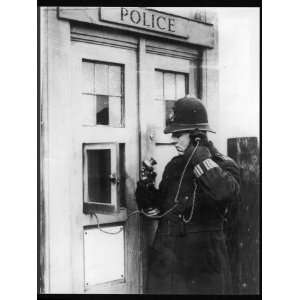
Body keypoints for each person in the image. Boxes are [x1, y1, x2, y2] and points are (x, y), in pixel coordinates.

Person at [135, 96, 241, 294]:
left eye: (178, 134)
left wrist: (200, 158)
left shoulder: (225, 166)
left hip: (203, 267)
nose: (173, 140)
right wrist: (147, 177)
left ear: (197, 136)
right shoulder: (175, 166)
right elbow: (155, 209)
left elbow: (225, 193)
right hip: (169, 266)